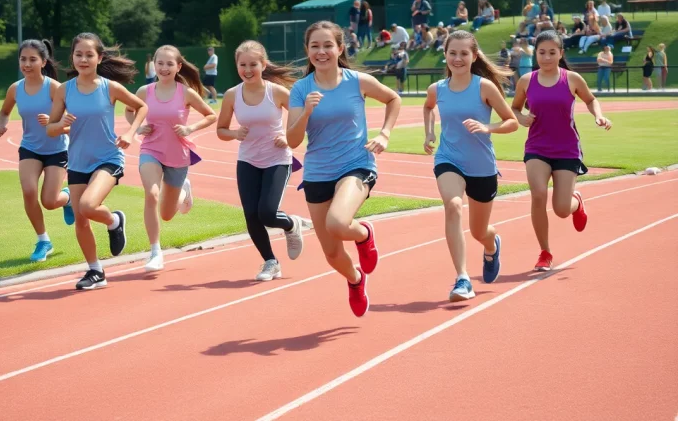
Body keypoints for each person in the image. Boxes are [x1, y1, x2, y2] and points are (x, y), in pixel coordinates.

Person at [287, 21, 401, 317]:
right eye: (315, 46)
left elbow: (393, 99)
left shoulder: (356, 81)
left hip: (356, 164)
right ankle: (356, 280)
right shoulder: (301, 90)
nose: (321, 52)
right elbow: (293, 140)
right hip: (317, 172)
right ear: (307, 51)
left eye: (328, 45)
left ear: (339, 48)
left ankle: (363, 235)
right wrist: (307, 112)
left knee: (337, 223)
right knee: (332, 253)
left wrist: (385, 133)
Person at [46, 33, 148, 290]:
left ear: (99, 58)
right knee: (81, 219)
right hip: (78, 161)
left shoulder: (109, 87)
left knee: (88, 206)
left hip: (108, 157)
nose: (83, 59)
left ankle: (114, 221)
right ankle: (95, 272)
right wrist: (61, 124)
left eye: (89, 54)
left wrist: (129, 132)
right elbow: (50, 129)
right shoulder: (64, 90)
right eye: (78, 54)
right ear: (72, 57)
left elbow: (142, 107)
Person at [423, 30, 518, 302]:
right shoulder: (437, 89)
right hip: (448, 159)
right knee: (453, 206)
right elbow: (428, 107)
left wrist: (487, 127)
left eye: (464, 53)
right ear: (445, 55)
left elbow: (511, 121)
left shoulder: (484, 87)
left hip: (481, 166)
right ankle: (462, 278)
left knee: (480, 231)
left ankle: (491, 245)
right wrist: (430, 133)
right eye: (452, 52)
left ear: (474, 56)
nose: (458, 58)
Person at [511, 30, 612, 272]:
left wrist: (598, 115)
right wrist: (521, 117)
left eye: (552, 52)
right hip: (537, 147)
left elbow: (590, 99)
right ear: (535, 54)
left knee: (561, 210)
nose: (546, 57)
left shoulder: (572, 79)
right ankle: (545, 252)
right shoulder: (526, 81)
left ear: (561, 53)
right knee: (537, 194)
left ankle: (575, 201)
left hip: (567, 149)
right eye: (542, 52)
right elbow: (514, 108)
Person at [216, 40, 305, 281]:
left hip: (277, 159)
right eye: (242, 64)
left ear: (263, 64)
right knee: (251, 216)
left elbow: (302, 116)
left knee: (266, 213)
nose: (247, 69)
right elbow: (221, 130)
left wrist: (287, 137)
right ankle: (270, 262)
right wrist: (235, 134)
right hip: (247, 160)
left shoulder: (276, 92)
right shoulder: (233, 95)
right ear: (236, 66)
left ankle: (291, 225)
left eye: (253, 64)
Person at [128, 45, 217, 272]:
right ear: (153, 65)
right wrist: (138, 127)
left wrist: (190, 128)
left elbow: (211, 115)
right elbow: (130, 111)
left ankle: (184, 191)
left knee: (167, 215)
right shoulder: (144, 92)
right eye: (160, 63)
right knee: (151, 193)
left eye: (169, 64)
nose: (164, 68)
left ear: (178, 67)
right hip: (151, 150)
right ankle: (155, 252)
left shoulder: (185, 92)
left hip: (178, 155)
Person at [0, 40, 74, 262]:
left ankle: (67, 199)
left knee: (49, 201)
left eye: (32, 59)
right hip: (30, 147)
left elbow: (73, 120)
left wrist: (53, 122)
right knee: (28, 191)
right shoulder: (15, 88)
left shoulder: (54, 88)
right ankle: (43, 240)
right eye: (23, 59)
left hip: (57, 148)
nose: (27, 64)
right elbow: (4, 112)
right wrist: (2, 124)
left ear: (43, 62)